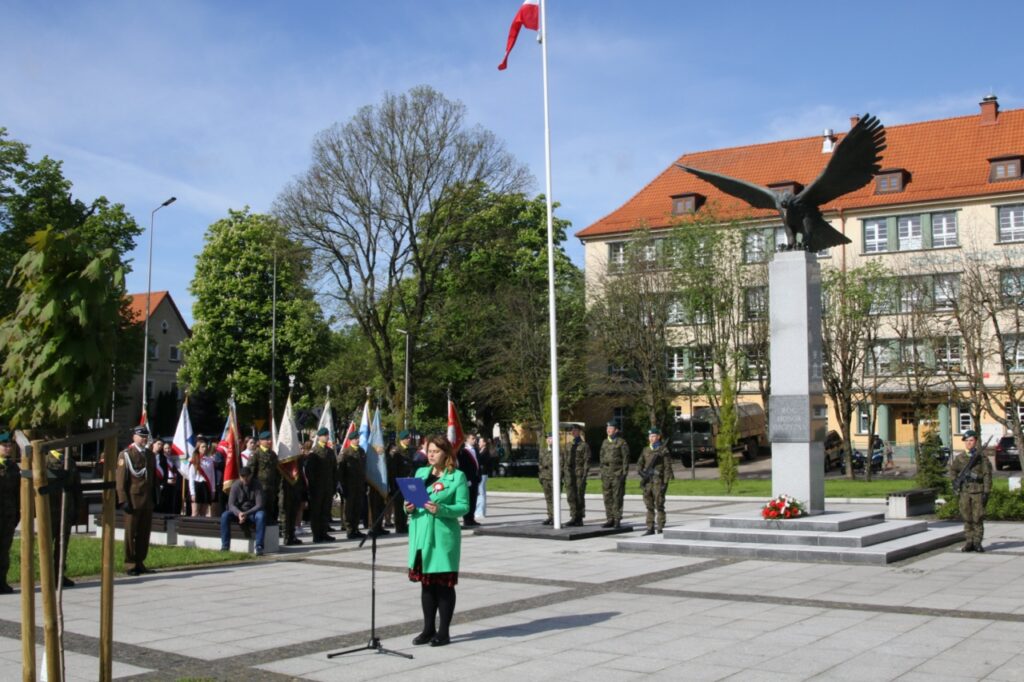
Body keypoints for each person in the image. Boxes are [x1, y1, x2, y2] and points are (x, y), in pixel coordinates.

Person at [404, 435, 469, 647]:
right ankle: (428, 629)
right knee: (427, 586)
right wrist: (409, 507)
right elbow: (411, 501)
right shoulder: (420, 473)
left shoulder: (456, 476)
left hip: (441, 537)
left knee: (443, 586)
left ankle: (444, 632)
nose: (431, 455)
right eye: (429, 451)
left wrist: (442, 509)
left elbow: (463, 507)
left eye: (436, 451)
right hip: (421, 535)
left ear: (446, 454)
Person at [116, 426, 156, 576]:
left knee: (144, 534)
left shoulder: (150, 455)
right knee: (130, 533)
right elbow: (121, 480)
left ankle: (140, 562)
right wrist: (123, 499)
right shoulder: (126, 455)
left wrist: (155, 496)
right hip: (132, 500)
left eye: (145, 436)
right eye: (141, 436)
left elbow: (152, 478)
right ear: (134, 437)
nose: (144, 439)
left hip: (147, 500)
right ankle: (130, 564)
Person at [950, 429, 993, 552]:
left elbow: (987, 475)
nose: (969, 443)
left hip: (978, 491)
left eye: (971, 440)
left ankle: (977, 542)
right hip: (964, 492)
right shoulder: (960, 458)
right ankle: (969, 542)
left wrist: (986, 491)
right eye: (967, 441)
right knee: (966, 517)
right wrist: (955, 481)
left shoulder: (982, 458)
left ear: (976, 441)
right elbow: (953, 471)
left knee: (978, 518)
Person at [47, 448, 84, 587]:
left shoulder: (70, 462)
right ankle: (47, 575)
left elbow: (77, 487)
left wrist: (78, 508)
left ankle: (59, 575)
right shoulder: (45, 460)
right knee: (47, 544)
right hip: (50, 510)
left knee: (62, 544)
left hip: (67, 509)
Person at [220, 465, 266, 555]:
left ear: (250, 475)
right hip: (239, 513)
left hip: (252, 512)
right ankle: (225, 546)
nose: (245, 478)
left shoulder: (257, 485)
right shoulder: (235, 485)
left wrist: (246, 513)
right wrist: (239, 513)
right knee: (225, 515)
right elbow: (231, 505)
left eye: (247, 476)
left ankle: (259, 546)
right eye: (242, 476)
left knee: (261, 515)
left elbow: (259, 505)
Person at [637, 427, 674, 535]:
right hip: (648, 481)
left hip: (658, 481)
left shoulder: (663, 450)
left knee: (659, 504)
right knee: (649, 505)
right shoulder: (645, 450)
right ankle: (650, 527)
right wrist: (641, 473)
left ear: (658, 437)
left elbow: (667, 467)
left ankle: (660, 527)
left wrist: (665, 482)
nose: (651, 438)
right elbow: (639, 463)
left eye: (653, 436)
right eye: (650, 436)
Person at [307, 428, 336, 543]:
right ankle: (316, 535)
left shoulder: (329, 451)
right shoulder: (314, 452)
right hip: (317, 488)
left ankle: (324, 532)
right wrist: (313, 487)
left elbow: (334, 469)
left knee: (325, 510)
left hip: (328, 486)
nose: (326, 437)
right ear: (319, 437)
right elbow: (310, 471)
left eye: (327, 435)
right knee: (316, 512)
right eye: (324, 435)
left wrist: (334, 485)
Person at [0, 433, 21, 594]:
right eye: (4, 445)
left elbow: (17, 492)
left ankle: (2, 581)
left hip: (8, 515)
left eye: (9, 445)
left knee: (4, 550)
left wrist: (17, 513)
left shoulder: (13, 467)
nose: (8, 448)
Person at [250, 431, 281, 536]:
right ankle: (260, 534)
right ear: (260, 441)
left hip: (271, 488)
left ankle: (270, 533)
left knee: (270, 510)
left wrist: (277, 486)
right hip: (260, 489)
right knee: (261, 511)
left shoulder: (272, 454)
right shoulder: (256, 454)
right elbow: (251, 472)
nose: (269, 441)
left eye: (270, 439)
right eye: (267, 439)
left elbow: (277, 472)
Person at [600, 421, 630, 528]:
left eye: (611, 428)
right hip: (606, 474)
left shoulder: (621, 442)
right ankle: (610, 519)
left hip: (617, 473)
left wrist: (624, 474)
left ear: (616, 430)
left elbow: (625, 459)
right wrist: (602, 472)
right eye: (607, 428)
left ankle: (617, 519)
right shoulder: (604, 442)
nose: (608, 430)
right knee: (607, 497)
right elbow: (601, 458)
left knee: (617, 497)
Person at [387, 430, 416, 534]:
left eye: (409, 438)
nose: (409, 439)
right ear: (402, 439)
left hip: (409, 481)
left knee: (407, 504)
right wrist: (393, 484)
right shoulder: (396, 451)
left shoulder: (411, 450)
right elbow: (392, 470)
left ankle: (404, 524)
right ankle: (399, 526)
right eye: (407, 438)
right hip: (399, 482)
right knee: (399, 506)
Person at [563, 425, 591, 527]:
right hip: (569, 474)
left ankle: (579, 518)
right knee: (570, 495)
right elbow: (565, 460)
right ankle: (573, 516)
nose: (573, 432)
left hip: (579, 474)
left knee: (579, 496)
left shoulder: (584, 445)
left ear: (579, 432)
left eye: (575, 430)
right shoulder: (568, 445)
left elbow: (587, 461)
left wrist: (584, 475)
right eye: (572, 431)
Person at [337, 441, 366, 539]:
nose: (357, 440)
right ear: (351, 440)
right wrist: (342, 485)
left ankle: (356, 528)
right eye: (355, 438)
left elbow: (363, 468)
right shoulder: (346, 452)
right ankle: (349, 530)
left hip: (359, 485)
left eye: (358, 438)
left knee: (357, 508)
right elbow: (340, 470)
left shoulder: (361, 451)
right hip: (349, 485)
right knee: (349, 509)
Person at [186, 439, 217, 518]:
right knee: (195, 512)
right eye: (203, 447)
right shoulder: (194, 460)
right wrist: (192, 493)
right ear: (198, 448)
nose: (205, 448)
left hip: (206, 486)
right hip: (197, 486)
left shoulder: (210, 460)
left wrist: (213, 490)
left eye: (206, 446)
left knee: (203, 513)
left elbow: (212, 476)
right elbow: (191, 478)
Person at [153, 437, 182, 514]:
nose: (160, 446)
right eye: (158, 444)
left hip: (161, 483)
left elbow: (165, 471)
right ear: (153, 444)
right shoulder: (149, 455)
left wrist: (164, 482)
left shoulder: (163, 457)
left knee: (162, 503)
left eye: (161, 444)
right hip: (152, 483)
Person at [458, 433, 482, 527]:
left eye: (475, 438)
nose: (474, 440)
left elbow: (477, 464)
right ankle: (467, 519)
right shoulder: (463, 451)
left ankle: (471, 518)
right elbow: (463, 467)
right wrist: (466, 479)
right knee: (468, 499)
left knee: (474, 499)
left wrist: (478, 475)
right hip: (468, 479)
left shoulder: (475, 450)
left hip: (475, 478)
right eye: (472, 438)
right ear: (466, 440)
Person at [538, 433, 555, 525]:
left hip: (553, 478)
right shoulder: (543, 451)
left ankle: (555, 517)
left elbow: (559, 464)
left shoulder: (557, 451)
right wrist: (540, 476)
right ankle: (550, 516)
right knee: (548, 498)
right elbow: (540, 464)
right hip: (545, 477)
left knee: (554, 498)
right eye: (548, 438)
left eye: (551, 438)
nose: (549, 440)